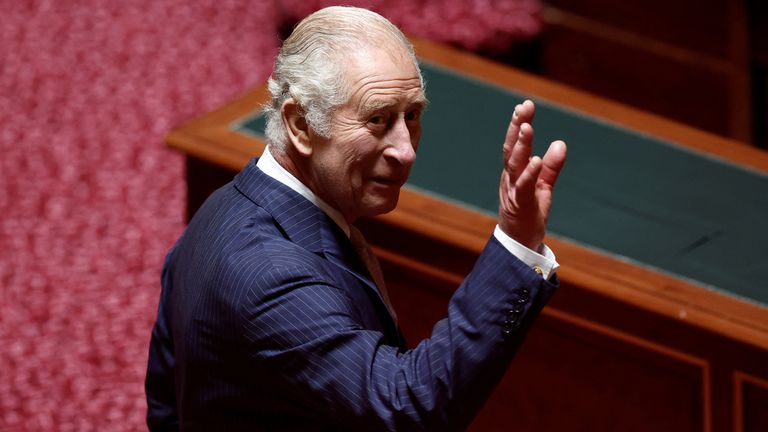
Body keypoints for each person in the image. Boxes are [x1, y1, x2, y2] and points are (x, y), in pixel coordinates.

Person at [145, 6, 567, 431]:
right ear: (301, 124)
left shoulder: (223, 207)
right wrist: (515, 243)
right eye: (378, 119)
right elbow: (408, 406)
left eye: (412, 116)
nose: (406, 150)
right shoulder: (270, 278)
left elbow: (168, 401)